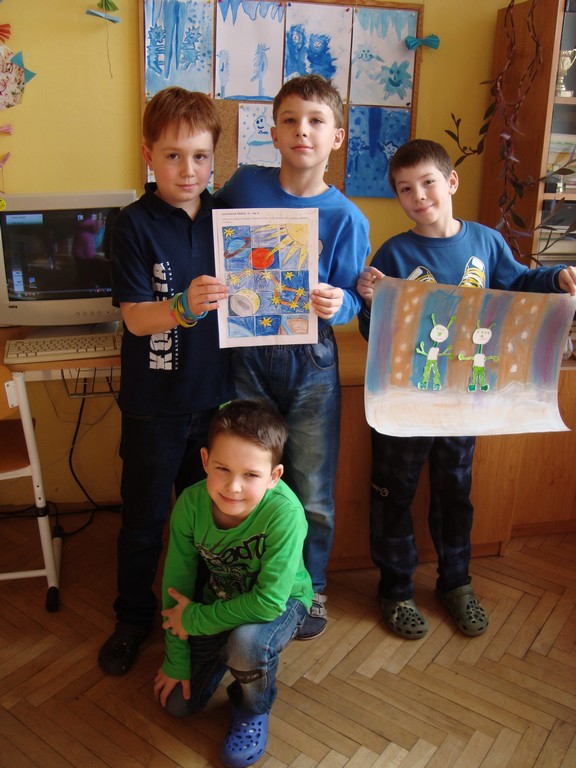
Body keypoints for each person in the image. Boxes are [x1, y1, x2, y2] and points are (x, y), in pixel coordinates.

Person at [357, 138, 576, 640]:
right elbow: (376, 334)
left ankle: (456, 583)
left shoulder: (486, 242)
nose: (419, 196)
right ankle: (395, 589)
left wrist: (556, 277)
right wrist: (369, 303)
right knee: (394, 494)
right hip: (404, 401)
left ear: (451, 181)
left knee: (455, 493)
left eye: (428, 182)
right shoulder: (393, 253)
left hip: (463, 401)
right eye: (405, 189)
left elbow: (519, 284)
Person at [215, 74, 371, 639]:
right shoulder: (244, 185)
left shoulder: (347, 217)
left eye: (316, 121)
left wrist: (341, 302)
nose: (302, 130)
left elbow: (354, 297)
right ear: (274, 132)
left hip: (312, 363)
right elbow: (209, 235)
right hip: (247, 353)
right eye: (290, 120)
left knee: (312, 488)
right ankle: (251, 580)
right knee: (248, 475)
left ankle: (312, 586)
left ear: (336, 137)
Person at [99, 87, 233, 676]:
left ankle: (196, 616)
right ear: (148, 155)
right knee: (144, 523)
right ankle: (132, 619)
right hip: (153, 407)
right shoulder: (132, 224)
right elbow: (135, 318)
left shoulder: (228, 219)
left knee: (205, 523)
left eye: (200, 156)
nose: (188, 169)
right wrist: (183, 307)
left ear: (214, 158)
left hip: (214, 404)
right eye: (173, 156)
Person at [153, 399, 313, 768]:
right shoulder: (190, 505)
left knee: (246, 643)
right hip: (222, 598)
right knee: (177, 705)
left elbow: (268, 603)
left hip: (283, 602)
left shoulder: (286, 514)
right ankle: (232, 658)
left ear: (274, 477)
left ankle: (252, 706)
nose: (234, 487)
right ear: (205, 460)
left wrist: (194, 620)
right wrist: (176, 660)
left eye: (251, 475)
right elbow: (175, 586)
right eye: (222, 469)